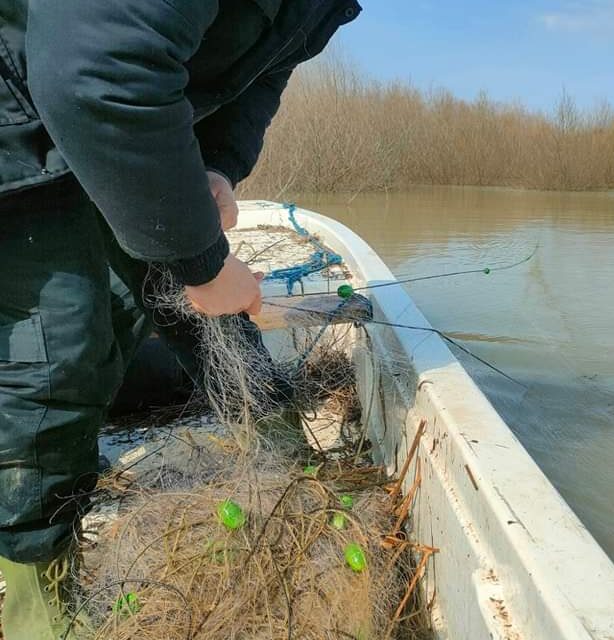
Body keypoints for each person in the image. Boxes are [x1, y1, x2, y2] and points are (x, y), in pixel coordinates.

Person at [0, 1, 361, 637]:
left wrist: (215, 164)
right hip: (19, 122)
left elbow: (265, 67)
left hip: (116, 109)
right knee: (59, 349)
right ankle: (37, 597)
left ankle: (281, 453)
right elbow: (96, 70)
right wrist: (205, 264)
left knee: (183, 303)